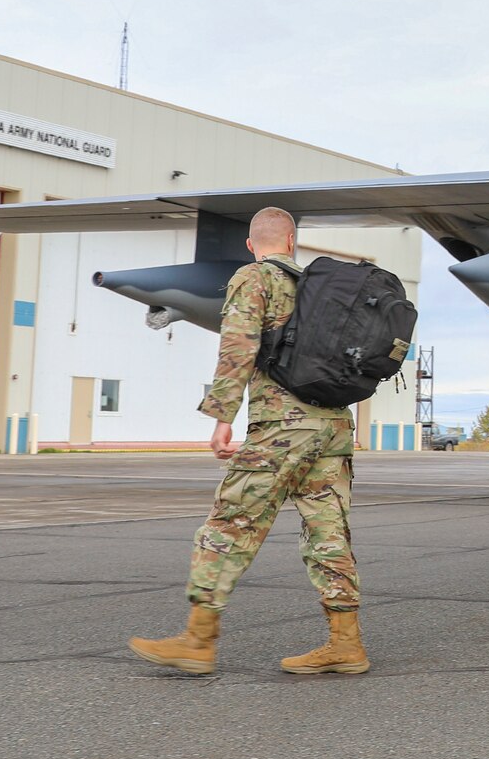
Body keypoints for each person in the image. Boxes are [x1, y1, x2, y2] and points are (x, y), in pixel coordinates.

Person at [128, 207, 367, 676]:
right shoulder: (322, 289)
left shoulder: (254, 278)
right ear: (292, 239)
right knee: (329, 533)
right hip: (334, 426)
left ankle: (198, 641)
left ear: (250, 243)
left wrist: (222, 417)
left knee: (230, 523)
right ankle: (346, 643)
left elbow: (238, 346)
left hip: (282, 428)